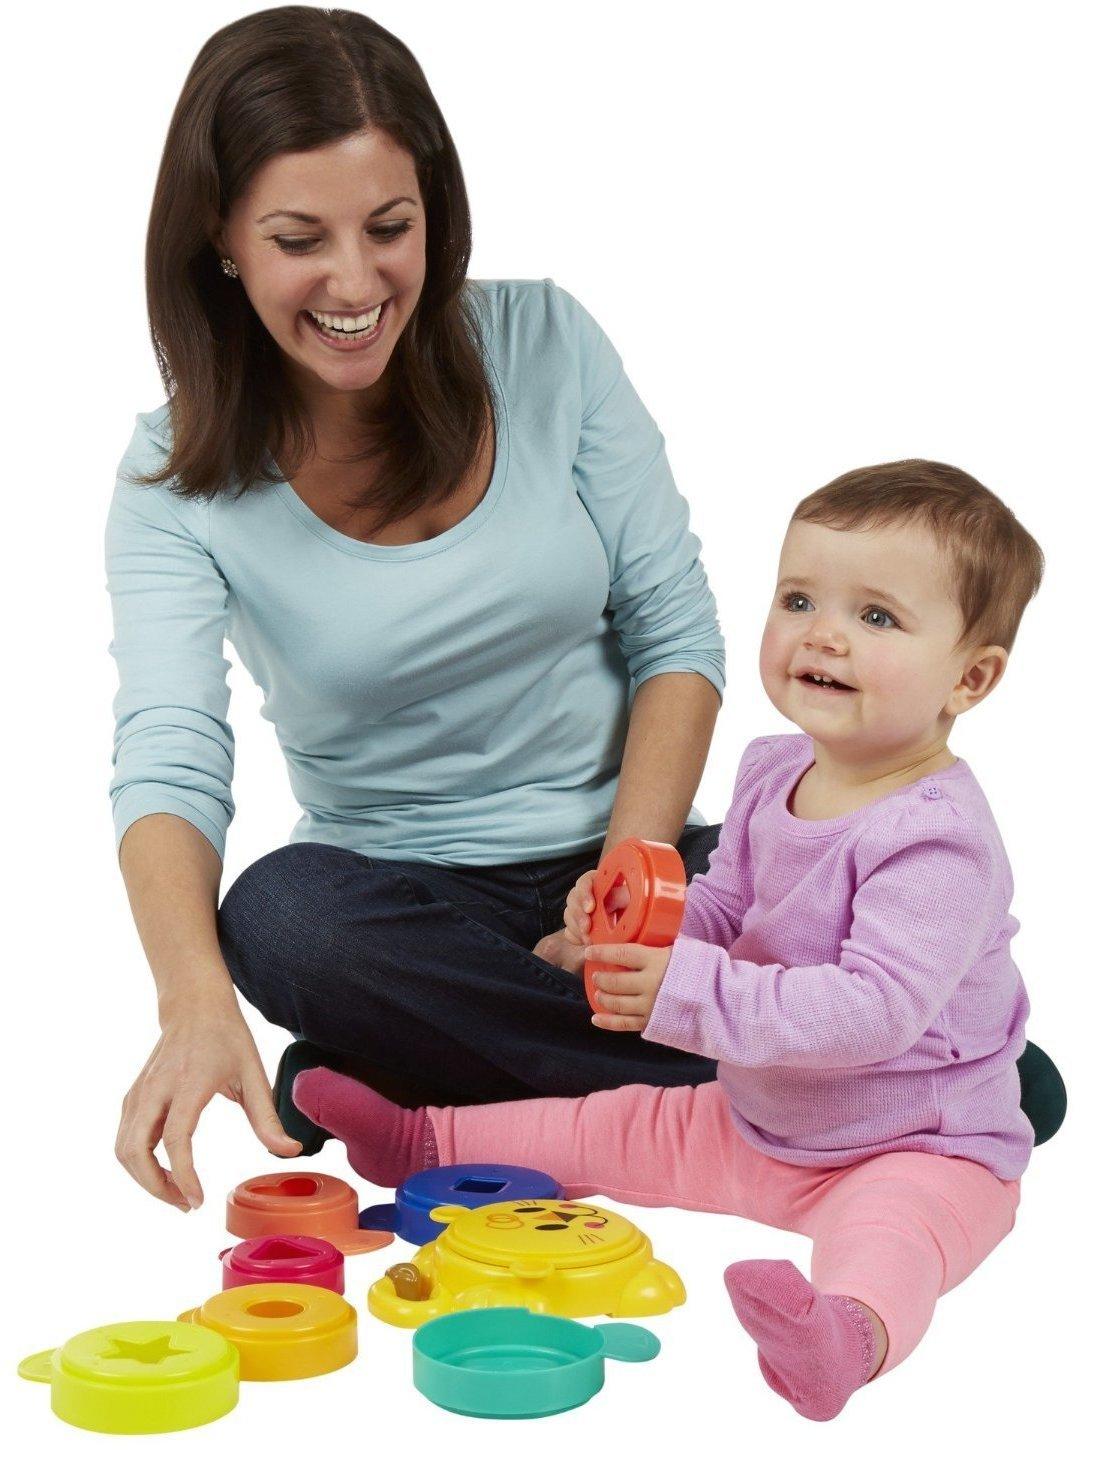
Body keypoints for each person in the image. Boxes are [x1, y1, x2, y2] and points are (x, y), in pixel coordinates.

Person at [107, 6, 725, 1214]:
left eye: (390, 228)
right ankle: (784, 1084)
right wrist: (193, 1002)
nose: (356, 283)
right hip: (408, 905)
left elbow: (676, 632)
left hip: (637, 856)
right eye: (299, 239)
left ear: (434, 215)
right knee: (282, 922)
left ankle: (412, 1079)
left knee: (821, 866)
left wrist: (624, 896)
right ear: (221, 237)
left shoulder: (547, 342)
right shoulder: (174, 479)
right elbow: (170, 754)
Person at [293, 461, 1043, 1420]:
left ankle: (842, 1337)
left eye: (876, 617)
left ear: (969, 679)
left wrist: (686, 990)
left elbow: (873, 1012)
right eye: (799, 599)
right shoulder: (774, 771)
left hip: (912, 1147)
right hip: (755, 1120)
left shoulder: (935, 838)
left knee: (895, 1237)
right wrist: (638, 932)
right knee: (602, 1123)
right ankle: (421, 1139)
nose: (822, 634)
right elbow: (725, 908)